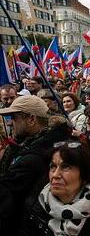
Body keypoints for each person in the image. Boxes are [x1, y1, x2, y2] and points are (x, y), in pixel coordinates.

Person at [0, 95, 72, 234]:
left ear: (31, 119)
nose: (10, 123)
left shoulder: (34, 158)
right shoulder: (42, 143)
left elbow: (6, 195)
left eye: (14, 118)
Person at [19, 140, 90, 236]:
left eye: (65, 167)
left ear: (84, 175)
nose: (55, 175)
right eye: (53, 166)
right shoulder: (34, 204)